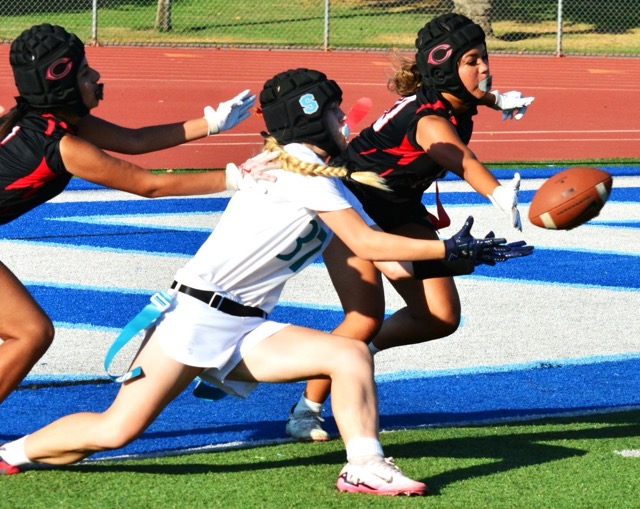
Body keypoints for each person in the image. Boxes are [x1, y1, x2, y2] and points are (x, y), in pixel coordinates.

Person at [0, 67, 531, 496]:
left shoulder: (321, 178)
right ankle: (11, 453)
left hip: (243, 324)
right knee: (114, 430)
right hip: (192, 318)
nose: (345, 119)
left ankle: (364, 465)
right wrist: (446, 246)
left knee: (348, 355)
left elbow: (388, 262)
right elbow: (371, 246)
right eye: (334, 111)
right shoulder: (300, 170)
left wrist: (463, 259)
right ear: (311, 120)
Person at [285, 12, 536, 441]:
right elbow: (462, 159)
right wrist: (497, 193)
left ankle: (354, 354)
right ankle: (306, 408)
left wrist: (497, 100)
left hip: (398, 209)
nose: (485, 69)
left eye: (484, 57)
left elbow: (469, 98)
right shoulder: (430, 120)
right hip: (352, 207)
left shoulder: (451, 98)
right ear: (444, 70)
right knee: (364, 316)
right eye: (472, 61)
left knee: (439, 317)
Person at [0, 23, 270, 406]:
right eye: (84, 73)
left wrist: (211, 124)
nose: (95, 78)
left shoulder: (44, 122)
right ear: (61, 87)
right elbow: (149, 185)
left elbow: (135, 141)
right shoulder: (62, 144)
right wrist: (237, 177)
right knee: (30, 332)